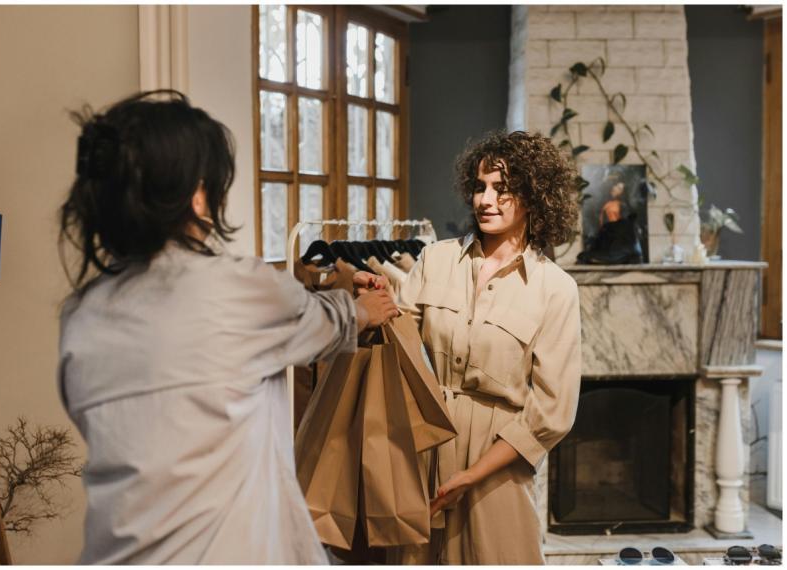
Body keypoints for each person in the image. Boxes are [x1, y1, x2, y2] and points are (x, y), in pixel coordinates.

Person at [56, 90, 398, 564]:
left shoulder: (81, 315)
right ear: (198, 194)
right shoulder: (237, 287)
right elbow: (321, 323)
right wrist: (363, 310)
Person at [395, 130, 582, 564]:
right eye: (480, 187)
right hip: (423, 446)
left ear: (534, 197)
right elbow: (398, 351)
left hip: (497, 464)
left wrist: (471, 475)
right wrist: (379, 305)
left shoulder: (555, 289)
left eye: (503, 189)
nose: (486, 200)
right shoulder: (434, 260)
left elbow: (553, 412)